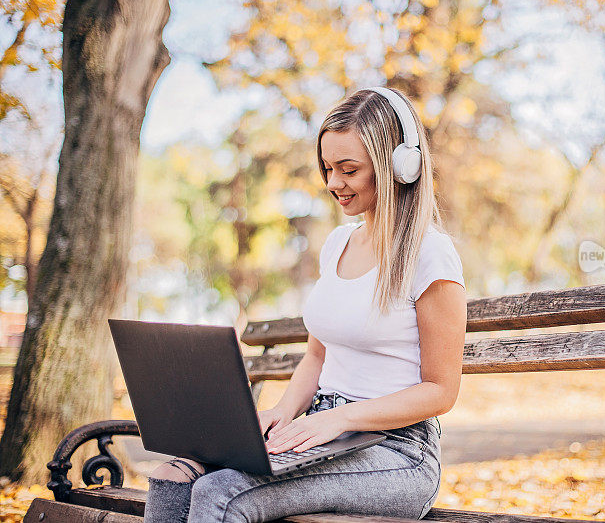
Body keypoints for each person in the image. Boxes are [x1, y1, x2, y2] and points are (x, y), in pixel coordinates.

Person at [142, 86, 467, 522]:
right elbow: (317, 355)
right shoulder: (336, 245)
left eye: (348, 169)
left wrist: (341, 419)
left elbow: (440, 391)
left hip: (398, 451)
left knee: (222, 492)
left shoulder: (431, 254)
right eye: (328, 168)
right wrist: (281, 412)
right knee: (176, 473)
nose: (334, 183)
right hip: (322, 430)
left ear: (399, 165)